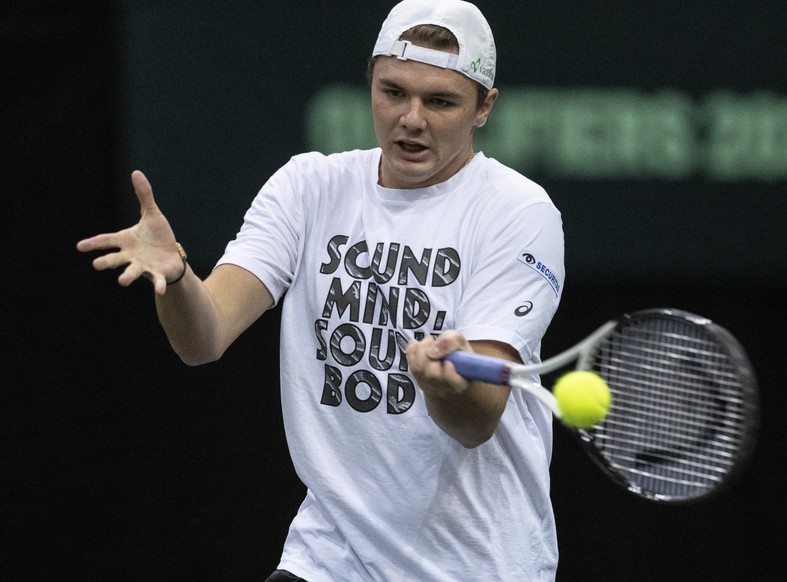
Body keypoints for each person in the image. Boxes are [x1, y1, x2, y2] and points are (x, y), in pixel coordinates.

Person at [78, 0, 565, 579]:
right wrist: (178, 278)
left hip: (478, 563)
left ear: (484, 106)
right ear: (370, 83)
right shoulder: (308, 186)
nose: (411, 119)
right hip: (330, 558)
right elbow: (202, 339)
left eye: (440, 101)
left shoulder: (518, 211)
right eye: (393, 92)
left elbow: (476, 419)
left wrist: (440, 387)